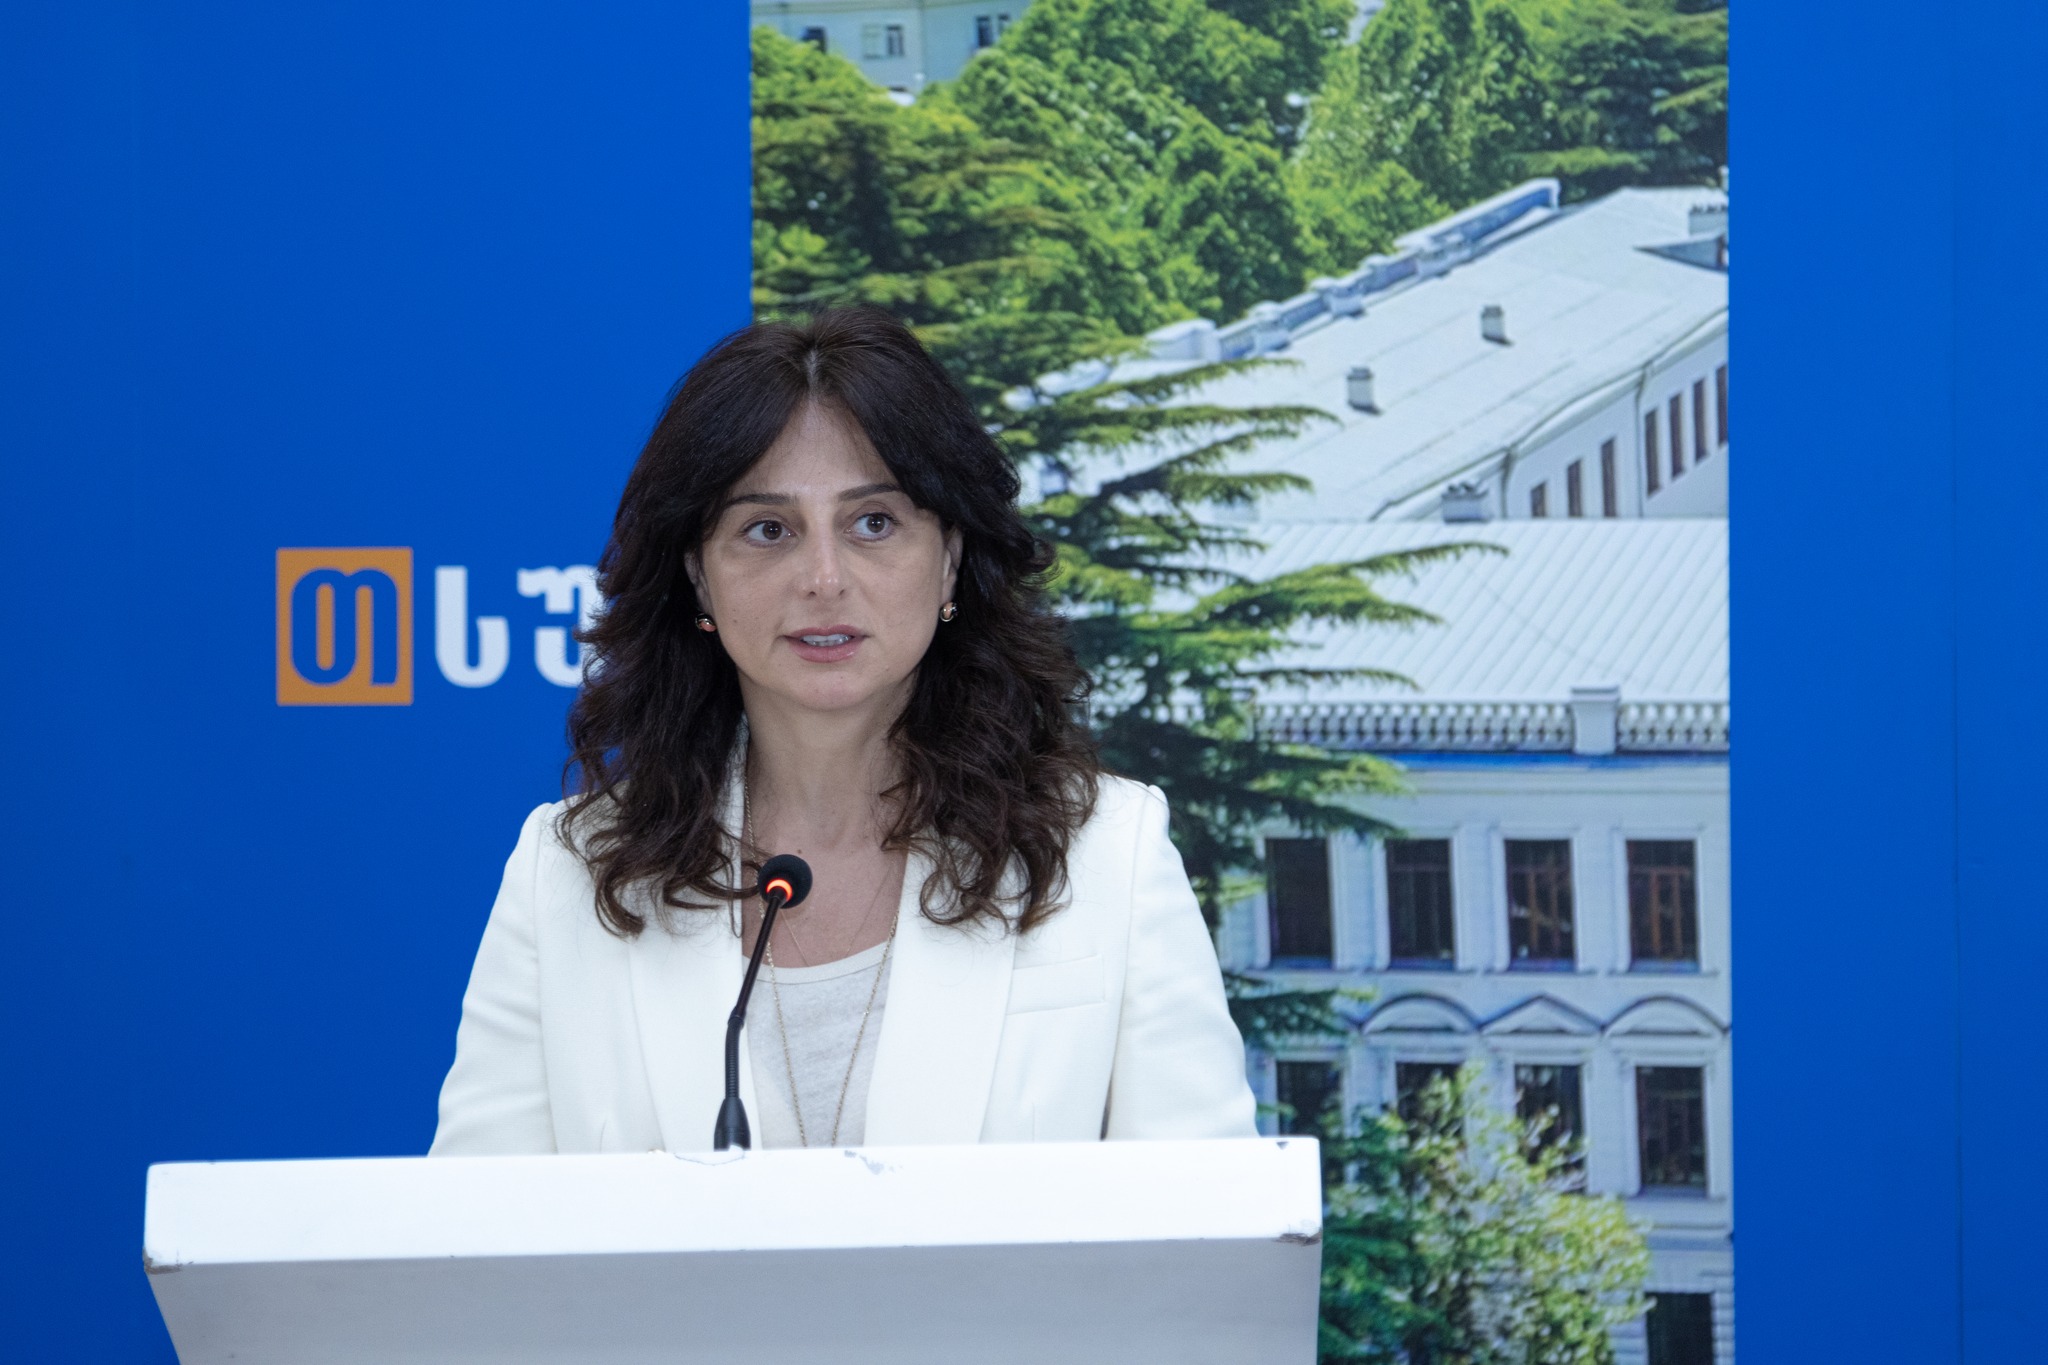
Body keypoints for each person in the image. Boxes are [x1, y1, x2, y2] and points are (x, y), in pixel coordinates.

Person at [430, 308, 1257, 1154]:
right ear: (699, 578)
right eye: (768, 529)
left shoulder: (1108, 856)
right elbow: (475, 1228)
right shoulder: (569, 876)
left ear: (950, 558)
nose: (824, 579)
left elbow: (1205, 1220)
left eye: (873, 523)